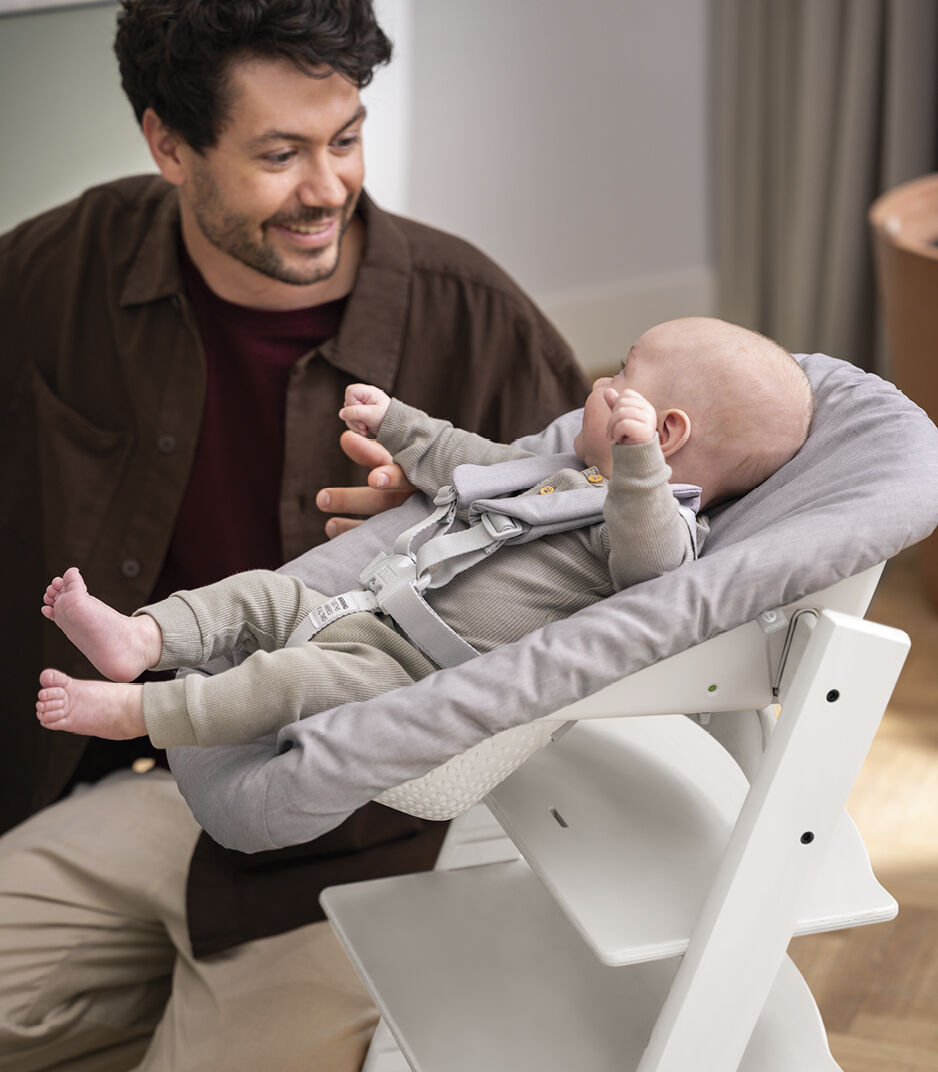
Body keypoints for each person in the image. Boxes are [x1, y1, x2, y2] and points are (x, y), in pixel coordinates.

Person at [0, 2, 588, 1069]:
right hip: (121, 787)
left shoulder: (478, 325)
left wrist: (446, 533)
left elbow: (617, 591)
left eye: (345, 138)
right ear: (167, 144)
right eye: (279, 154)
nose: (326, 188)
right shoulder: (57, 272)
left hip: (351, 843)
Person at [35, 317, 813, 749]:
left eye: (623, 379)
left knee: (287, 685)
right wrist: (399, 423)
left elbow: (652, 568)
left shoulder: (658, 520)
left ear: (664, 432)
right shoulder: (556, 470)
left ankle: (143, 714)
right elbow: (464, 462)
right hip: (363, 608)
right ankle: (139, 640)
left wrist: (638, 465)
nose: (600, 386)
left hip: (413, 667)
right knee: (260, 593)